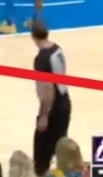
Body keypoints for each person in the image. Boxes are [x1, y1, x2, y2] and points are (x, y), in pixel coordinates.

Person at [30, 21, 72, 176]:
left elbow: (48, 92)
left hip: (53, 109)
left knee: (41, 157)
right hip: (65, 102)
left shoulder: (41, 59)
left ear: (33, 37)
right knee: (61, 150)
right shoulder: (57, 49)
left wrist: (44, 116)